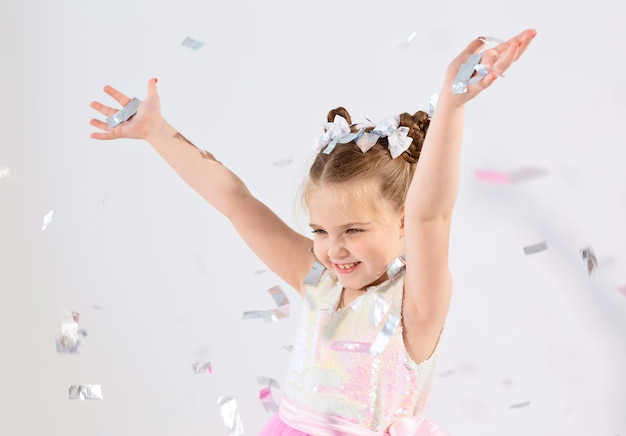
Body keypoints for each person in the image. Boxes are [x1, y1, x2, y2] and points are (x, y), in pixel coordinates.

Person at [89, 29, 537, 435]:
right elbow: (236, 201)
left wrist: (452, 101)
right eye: (320, 230)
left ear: (402, 220)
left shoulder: (415, 306)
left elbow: (432, 215)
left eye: (354, 229)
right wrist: (156, 132)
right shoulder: (318, 282)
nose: (333, 248)